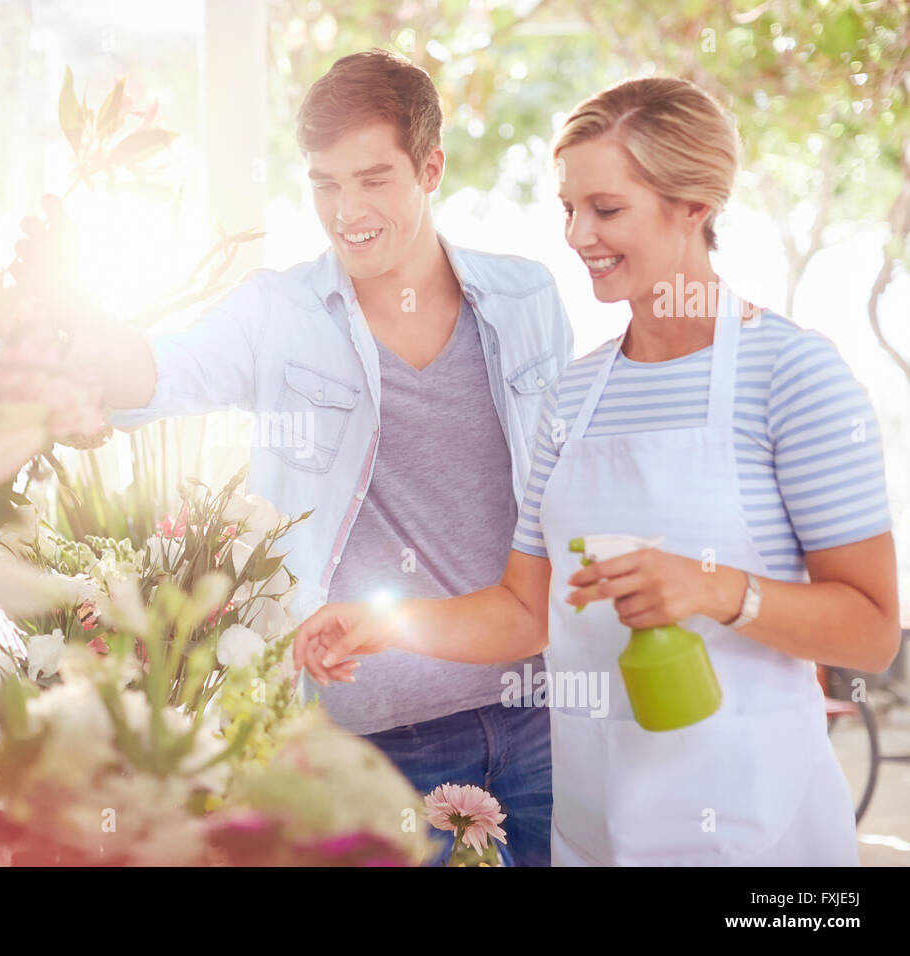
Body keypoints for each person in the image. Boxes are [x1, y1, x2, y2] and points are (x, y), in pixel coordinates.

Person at [294, 76, 901, 866]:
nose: (579, 235)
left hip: (757, 829)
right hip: (597, 823)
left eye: (607, 209)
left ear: (694, 207)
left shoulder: (792, 374)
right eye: (568, 209)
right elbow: (525, 610)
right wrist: (389, 623)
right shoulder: (573, 395)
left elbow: (873, 632)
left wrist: (718, 589)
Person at [86, 49, 573, 866]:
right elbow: (163, 373)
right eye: (325, 183)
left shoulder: (526, 301)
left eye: (373, 179)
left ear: (431, 168)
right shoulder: (279, 313)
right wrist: (62, 340)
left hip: (541, 716)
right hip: (375, 739)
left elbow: (575, 490)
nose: (347, 210)